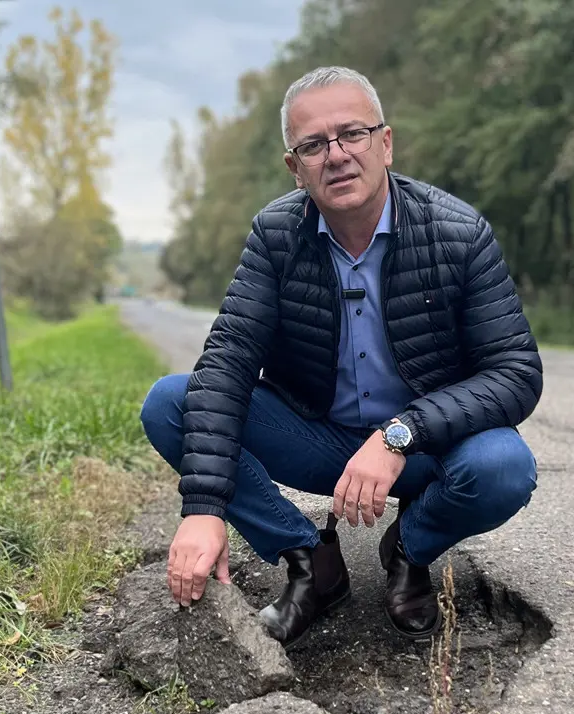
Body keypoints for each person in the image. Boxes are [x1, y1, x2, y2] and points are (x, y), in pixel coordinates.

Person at [139, 65, 542, 649]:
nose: (336, 155)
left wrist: (400, 435)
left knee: (502, 465)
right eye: (312, 144)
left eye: (352, 134)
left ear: (385, 143)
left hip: (418, 451)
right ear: (294, 167)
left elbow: (515, 373)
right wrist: (203, 508)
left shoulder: (458, 233)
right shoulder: (276, 237)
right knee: (171, 404)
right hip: (319, 438)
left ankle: (410, 549)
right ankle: (311, 563)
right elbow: (226, 363)